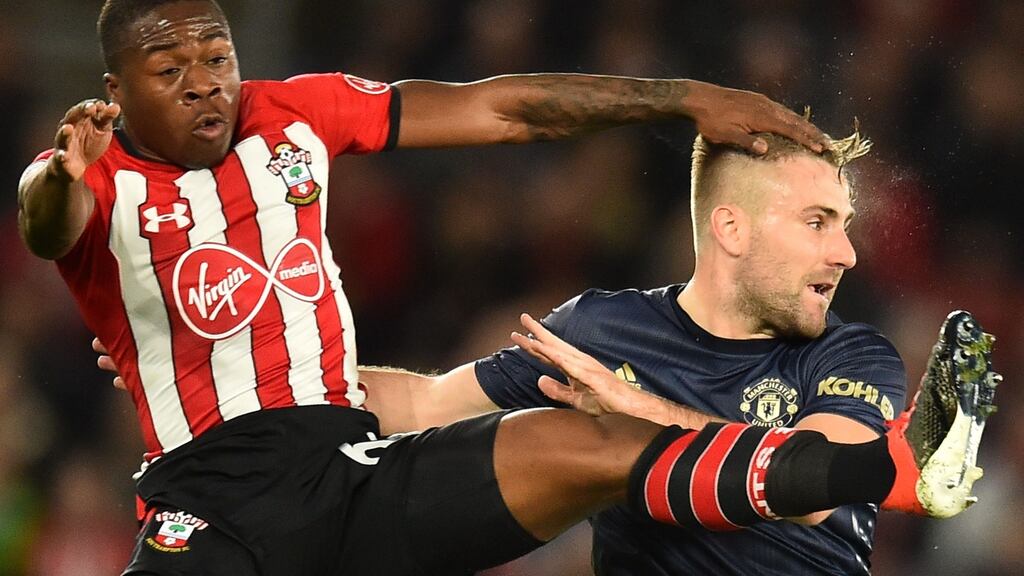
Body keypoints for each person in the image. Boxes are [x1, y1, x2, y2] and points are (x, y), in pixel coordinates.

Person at [19, 1, 994, 575]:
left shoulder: (296, 116)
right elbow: (42, 219)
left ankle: (902, 468)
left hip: (342, 475)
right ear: (118, 84)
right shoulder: (94, 178)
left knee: (593, 441)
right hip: (214, 505)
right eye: (170, 65)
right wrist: (66, 180)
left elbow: (499, 109)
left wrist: (683, 97)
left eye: (217, 55)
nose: (204, 82)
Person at [355, 132, 1003, 575]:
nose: (845, 253)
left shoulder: (852, 353)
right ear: (731, 228)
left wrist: (635, 408)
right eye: (817, 223)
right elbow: (423, 402)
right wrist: (270, 367)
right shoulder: (601, 330)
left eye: (844, 224)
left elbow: (810, 492)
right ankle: (908, 471)